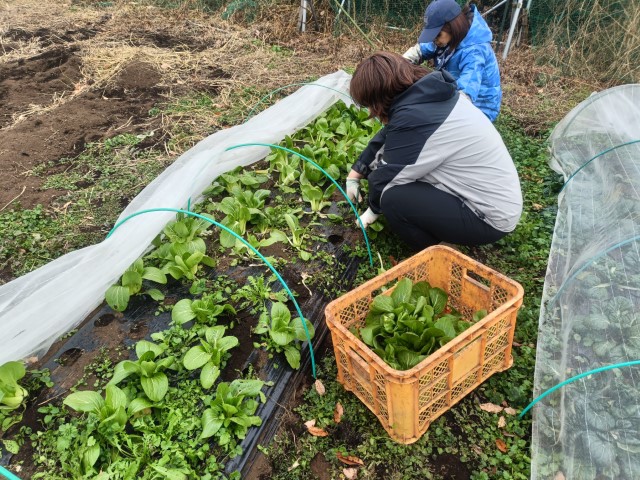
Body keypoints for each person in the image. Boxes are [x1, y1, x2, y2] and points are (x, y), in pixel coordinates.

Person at [345, 52, 522, 251]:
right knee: (405, 180)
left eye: (371, 105)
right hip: (496, 199)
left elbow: (386, 178)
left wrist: (372, 210)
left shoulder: (416, 118)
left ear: (380, 99)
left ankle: (434, 252)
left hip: (489, 217)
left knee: (392, 198)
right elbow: (389, 134)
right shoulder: (428, 96)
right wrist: (357, 172)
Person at [402, 0, 502, 122]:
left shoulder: (474, 51)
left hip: (479, 107)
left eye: (437, 35)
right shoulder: (452, 36)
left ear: (451, 27)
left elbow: (466, 94)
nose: (434, 40)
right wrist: (399, 65)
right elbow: (421, 49)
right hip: (454, 88)